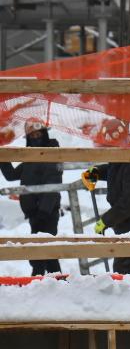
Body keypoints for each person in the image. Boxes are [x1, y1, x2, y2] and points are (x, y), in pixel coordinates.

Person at [0, 118, 62, 276]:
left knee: (44, 252)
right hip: (34, 212)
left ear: (44, 134)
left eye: (38, 134)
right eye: (32, 135)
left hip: (47, 212)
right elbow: (11, 175)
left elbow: (53, 183)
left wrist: (44, 210)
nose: (36, 137)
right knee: (44, 252)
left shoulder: (51, 153)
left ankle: (42, 281)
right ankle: (55, 282)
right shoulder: (30, 158)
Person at [82, 147, 130, 275]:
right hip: (127, 225)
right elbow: (117, 170)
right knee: (124, 270)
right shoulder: (127, 155)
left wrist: (106, 220)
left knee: (127, 273)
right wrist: (96, 172)